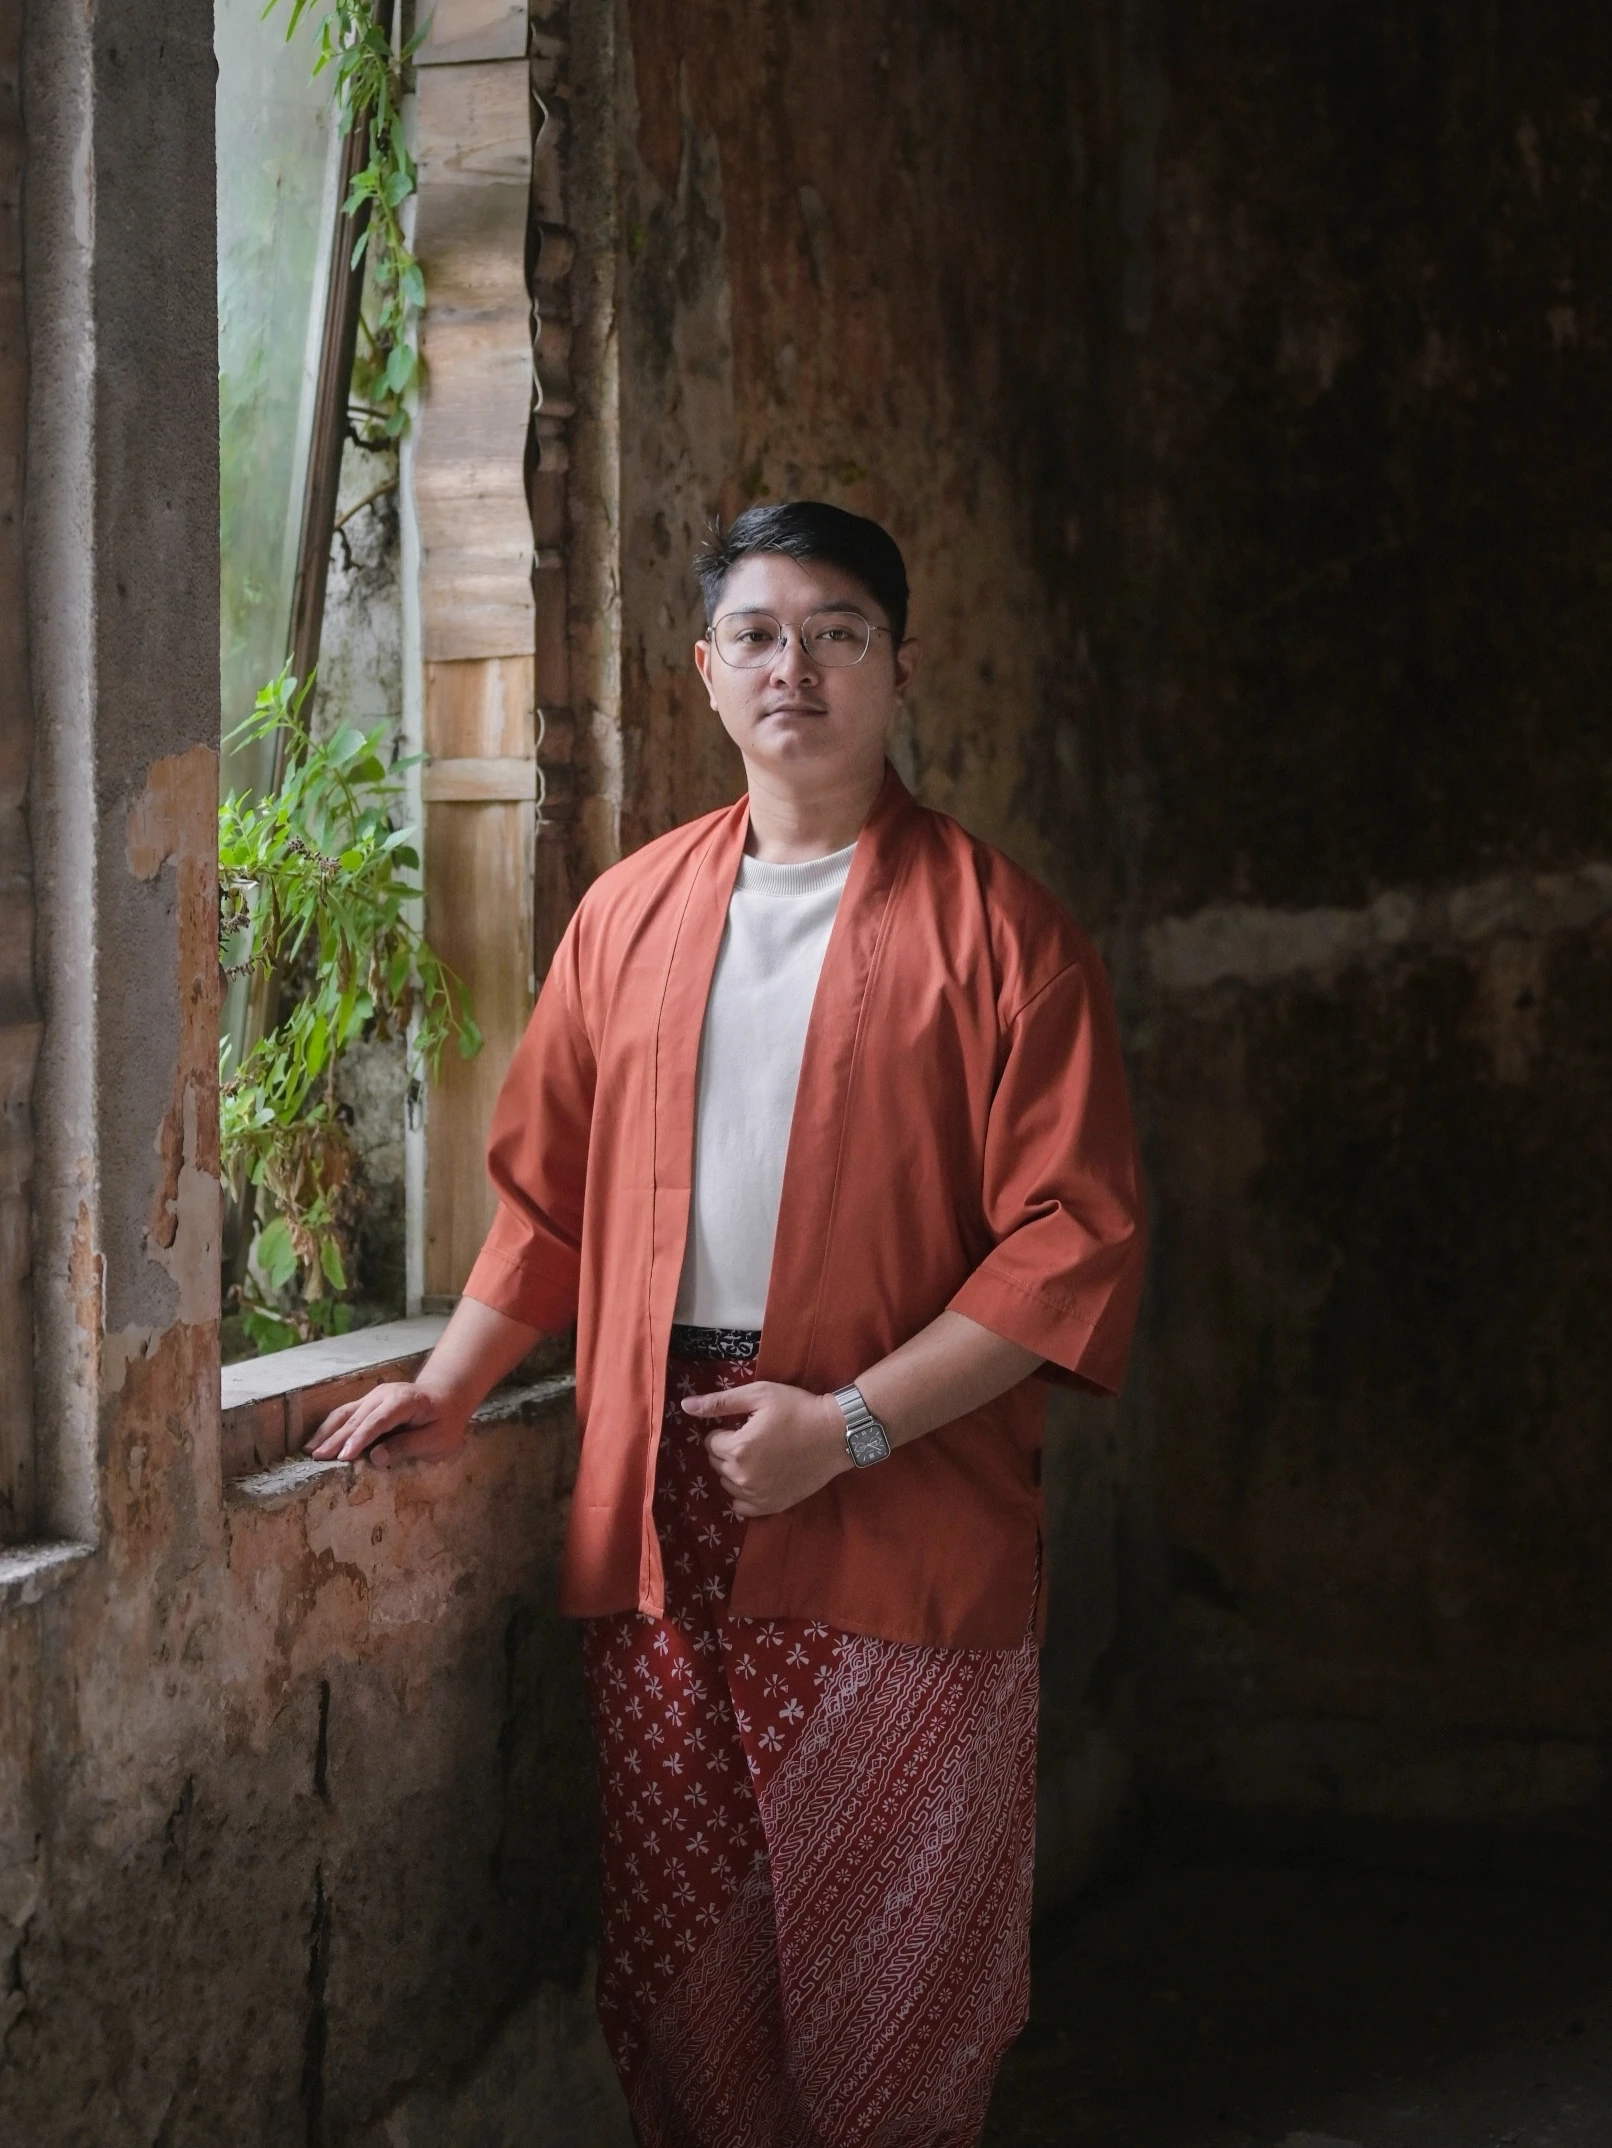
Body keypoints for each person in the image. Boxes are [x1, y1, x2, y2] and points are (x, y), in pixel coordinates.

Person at [307, 501, 1147, 2147]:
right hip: (664, 1489)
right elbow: (547, 1193)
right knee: (684, 1958)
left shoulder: (1007, 934)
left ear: (900, 667)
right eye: (758, 635)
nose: (795, 670)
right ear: (704, 672)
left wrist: (848, 1426)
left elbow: (1072, 1242)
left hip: (905, 1484)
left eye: (837, 634)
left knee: (906, 1963)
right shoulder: (626, 916)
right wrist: (454, 1382)